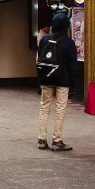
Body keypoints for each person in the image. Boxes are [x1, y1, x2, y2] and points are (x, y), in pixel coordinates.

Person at [37, 12, 77, 151]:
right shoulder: (68, 43)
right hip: (63, 79)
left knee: (44, 107)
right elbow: (73, 66)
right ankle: (57, 140)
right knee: (60, 109)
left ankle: (42, 139)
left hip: (46, 77)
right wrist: (73, 84)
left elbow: (40, 57)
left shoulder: (45, 39)